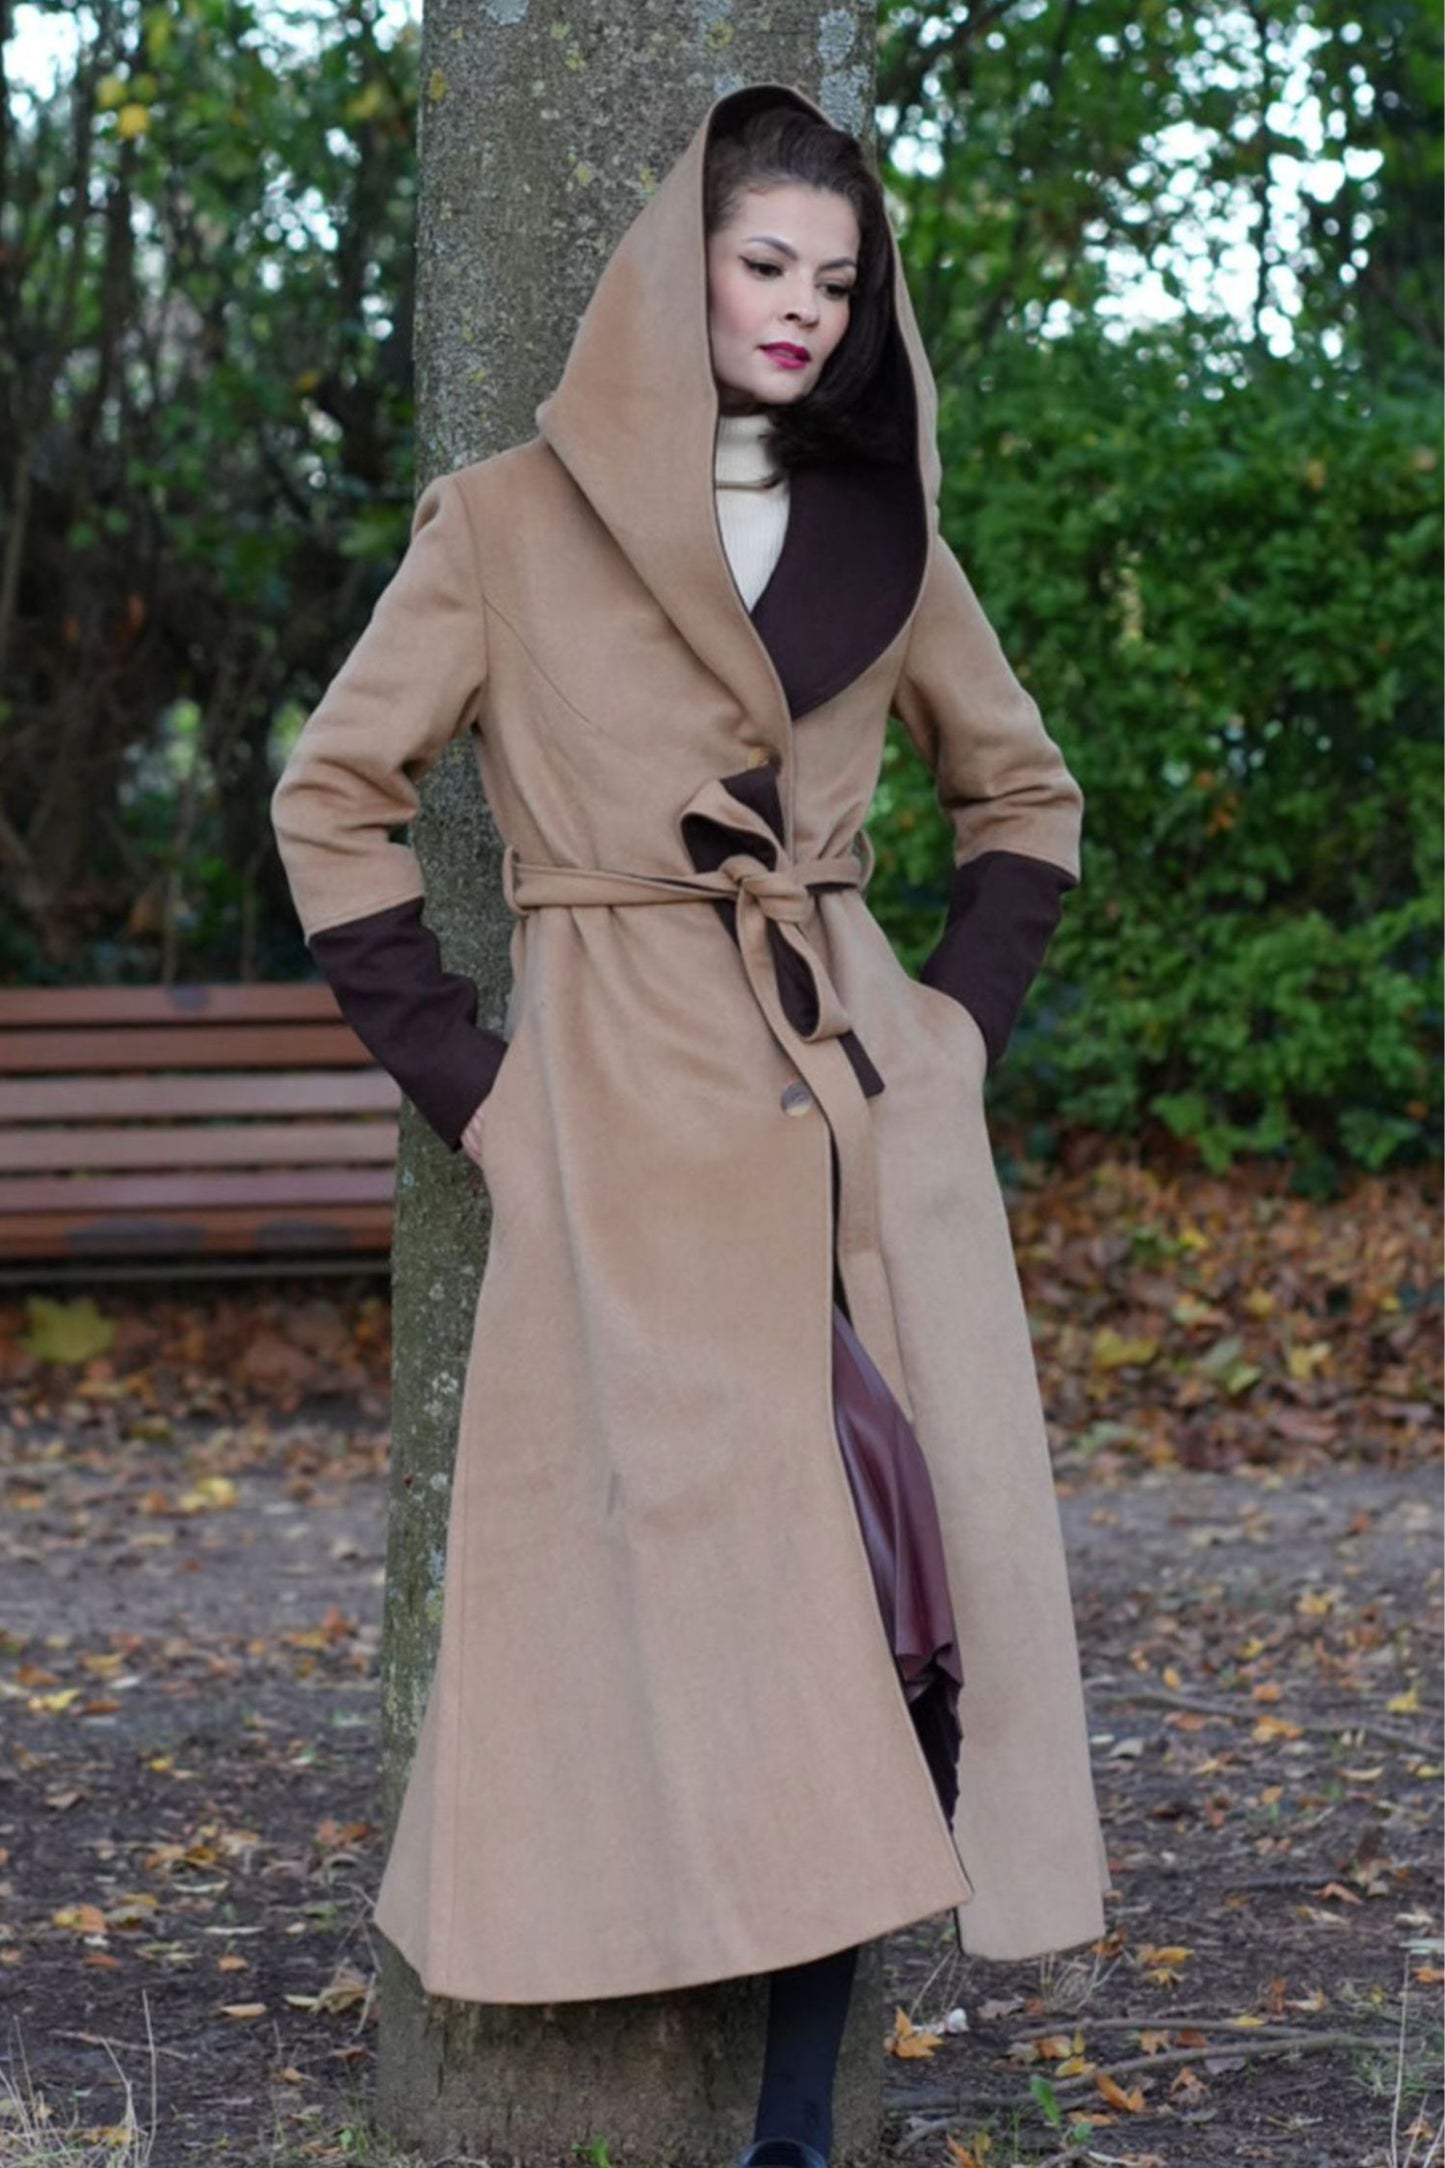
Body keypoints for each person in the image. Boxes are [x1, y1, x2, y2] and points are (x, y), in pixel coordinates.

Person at [271, 80, 1110, 2168]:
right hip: (624, 1122)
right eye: (765, 264)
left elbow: (1023, 798)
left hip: (855, 1125)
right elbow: (333, 800)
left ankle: (796, 2122)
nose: (804, 307)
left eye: (839, 278)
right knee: (712, 1602)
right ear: (682, 271)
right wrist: (479, 1088)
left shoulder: (888, 533)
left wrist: (952, 1031)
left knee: (896, 1597)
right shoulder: (503, 521)